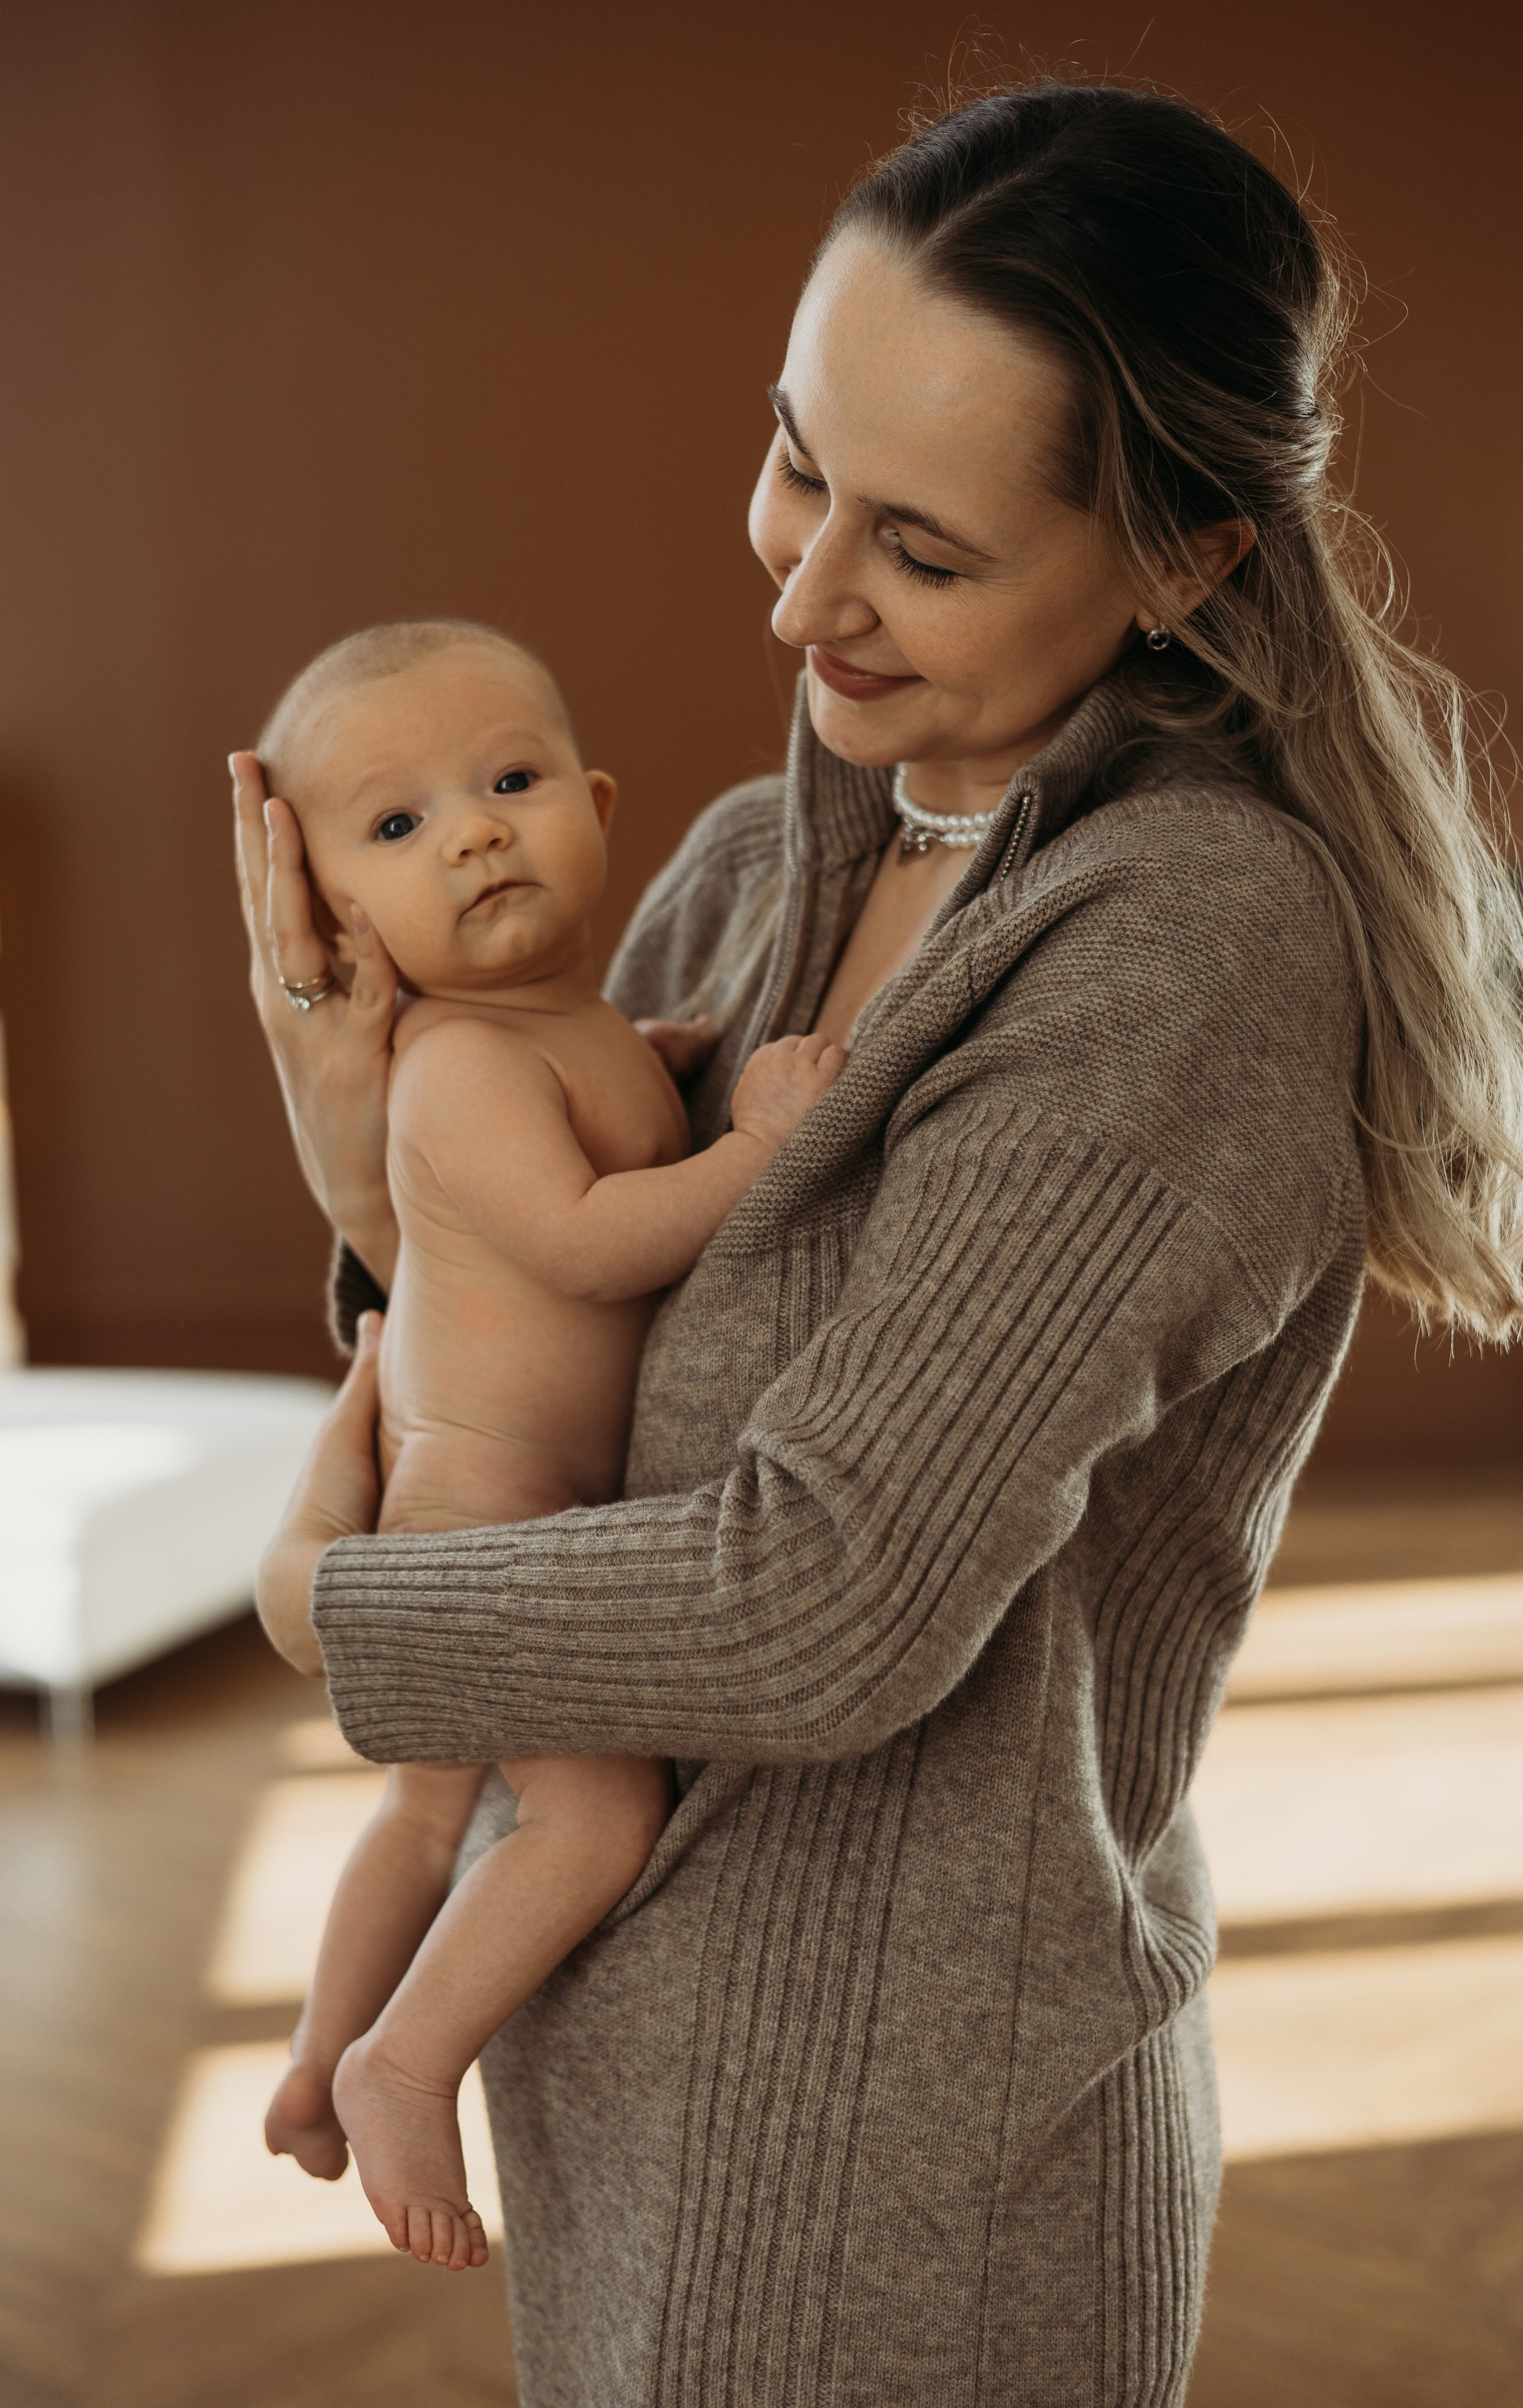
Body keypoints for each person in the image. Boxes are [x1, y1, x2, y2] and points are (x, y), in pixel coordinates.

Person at [234, 80, 1523, 2408]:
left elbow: (822, 1596)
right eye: (796, 455)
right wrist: (363, 1172)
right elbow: (566, 1356)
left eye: (920, 550)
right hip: (614, 2085)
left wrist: (332, 1605)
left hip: (896, 2169)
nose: (800, 586)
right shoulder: (748, 865)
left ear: (1188, 564)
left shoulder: (1187, 946)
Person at [248, 620, 844, 2269]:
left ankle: (312, 2061)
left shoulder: (581, 1025)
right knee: (590, 1819)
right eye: (398, 824)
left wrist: (682, 1080)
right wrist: (767, 1149)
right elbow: (589, 1242)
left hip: (502, 1511)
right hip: (477, 1520)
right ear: (347, 927)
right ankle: (403, 2062)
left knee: (431, 1821)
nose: (474, 830)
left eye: (509, 781)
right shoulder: (452, 1072)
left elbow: (620, 1119)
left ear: (594, 801)